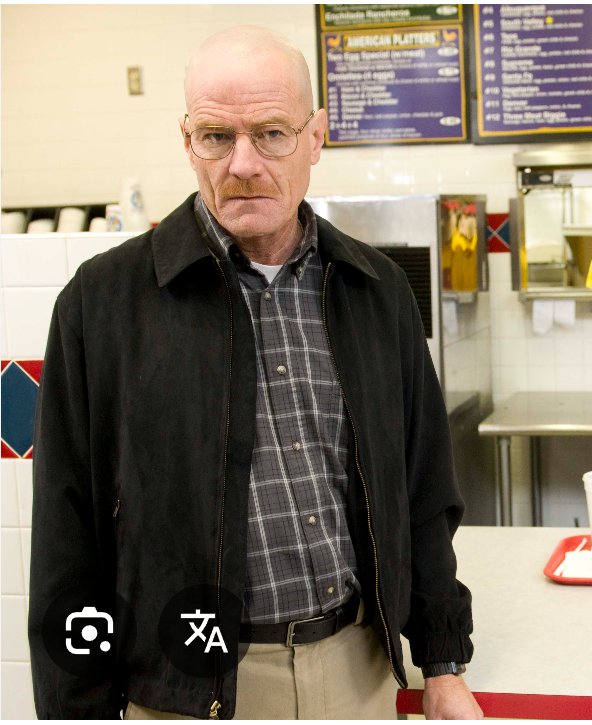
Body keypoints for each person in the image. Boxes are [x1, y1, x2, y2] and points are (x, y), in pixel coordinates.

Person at [28, 26, 482, 720]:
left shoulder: (376, 290)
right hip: (187, 689)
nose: (242, 163)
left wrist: (443, 662)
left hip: (358, 674)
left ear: (315, 137)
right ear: (187, 140)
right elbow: (68, 535)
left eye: (271, 133)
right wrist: (75, 709)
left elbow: (422, 494)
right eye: (216, 136)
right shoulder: (102, 306)